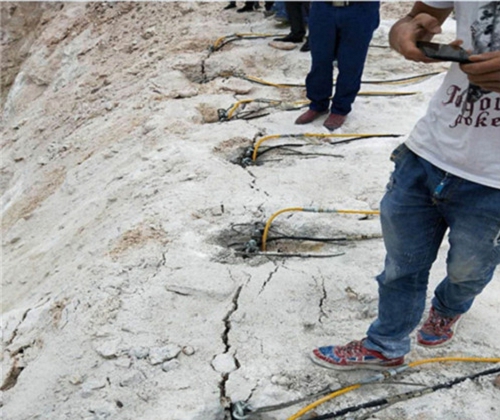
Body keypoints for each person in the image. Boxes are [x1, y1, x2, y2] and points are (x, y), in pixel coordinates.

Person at [310, 1, 500, 370]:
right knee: (401, 265)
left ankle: (448, 308)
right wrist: (406, 34)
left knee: (468, 271)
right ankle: (386, 344)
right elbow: (416, 19)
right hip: (427, 152)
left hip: (494, 182)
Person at [295, 1, 380, 130]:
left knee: (351, 62)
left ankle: (341, 108)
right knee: (320, 59)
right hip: (323, 7)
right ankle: (317, 104)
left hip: (360, 9)